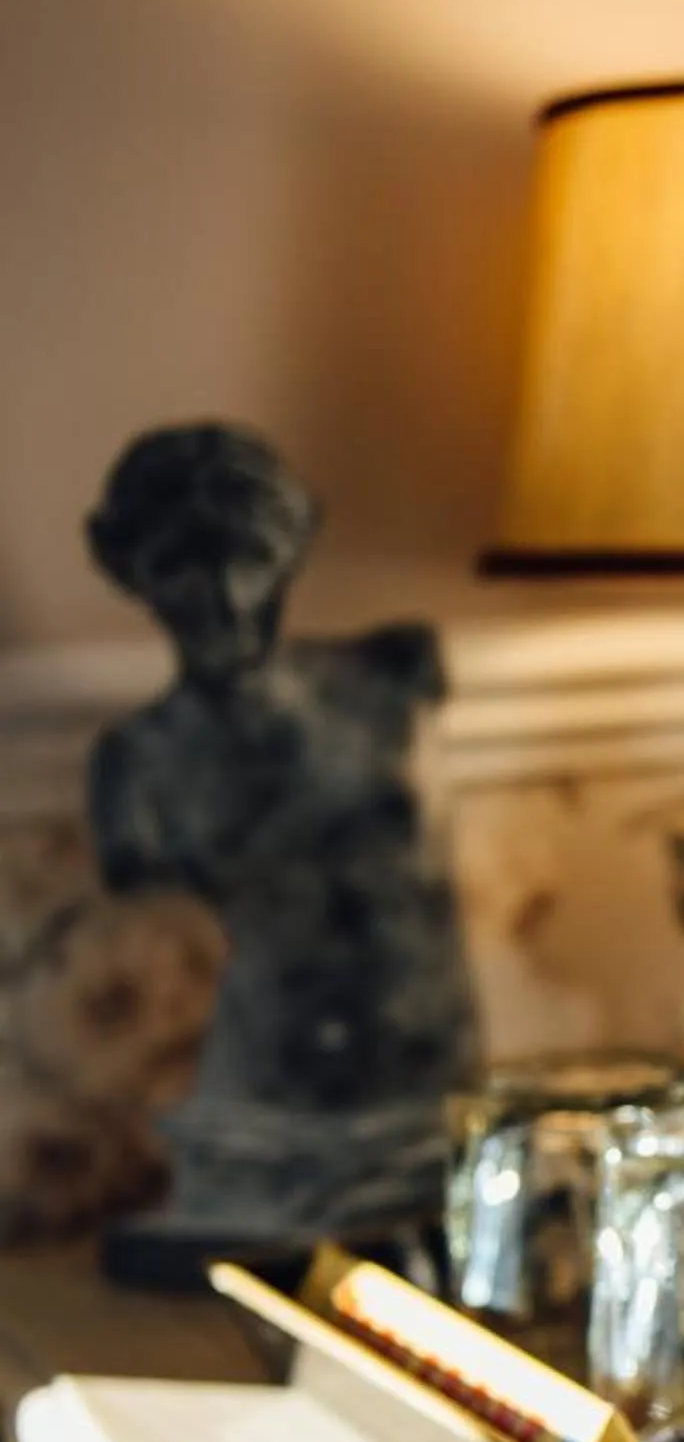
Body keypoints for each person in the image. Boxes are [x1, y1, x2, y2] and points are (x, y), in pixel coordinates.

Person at [86, 423, 479, 1248]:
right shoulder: (138, 766)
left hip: (440, 1104)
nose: (226, 596)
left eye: (250, 556)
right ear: (124, 566)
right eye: (182, 567)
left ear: (297, 544)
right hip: (270, 1123)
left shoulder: (395, 674)